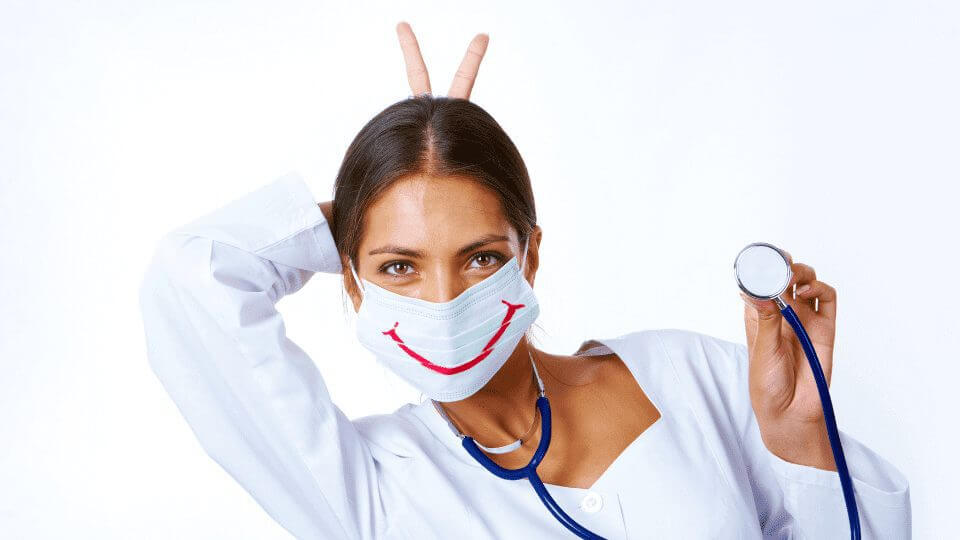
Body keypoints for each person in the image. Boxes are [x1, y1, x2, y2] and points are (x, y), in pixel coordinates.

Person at [137, 22, 911, 539]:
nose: (443, 299)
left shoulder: (693, 376)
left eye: (478, 257)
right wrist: (379, 192)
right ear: (351, 279)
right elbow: (191, 273)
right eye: (397, 265)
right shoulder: (366, 491)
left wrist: (802, 441)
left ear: (529, 256)